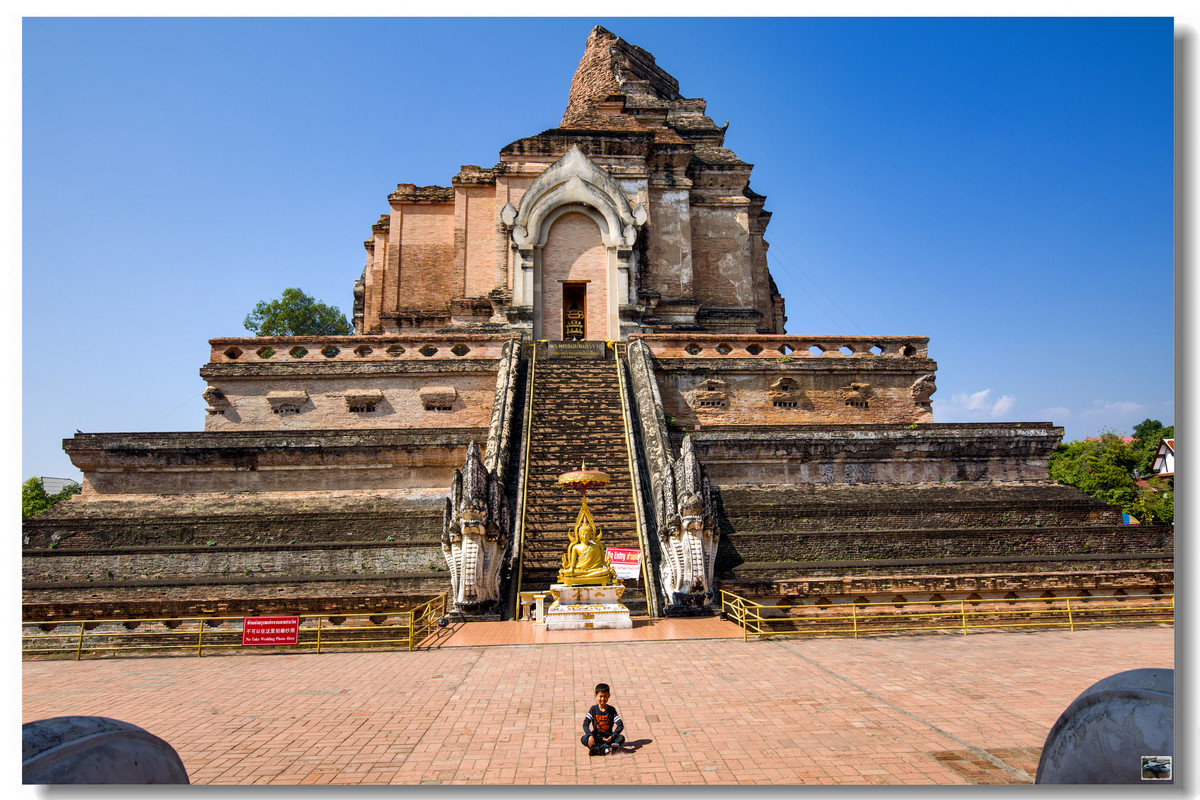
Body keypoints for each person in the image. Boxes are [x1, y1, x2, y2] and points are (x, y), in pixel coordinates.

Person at [581, 683, 625, 755]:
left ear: (609, 696)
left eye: (605, 697)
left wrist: (612, 736)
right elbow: (585, 724)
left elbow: (620, 724)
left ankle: (598, 749)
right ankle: (606, 749)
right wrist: (590, 735)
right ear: (595, 696)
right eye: (600, 696)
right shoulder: (593, 709)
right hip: (596, 737)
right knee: (584, 739)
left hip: (608, 738)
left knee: (621, 738)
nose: (603, 699)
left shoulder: (612, 710)